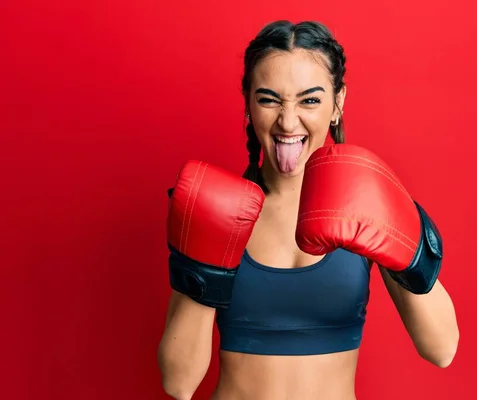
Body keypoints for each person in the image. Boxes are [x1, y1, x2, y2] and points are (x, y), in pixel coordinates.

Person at [157, 20, 459, 400]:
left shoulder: (364, 204)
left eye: (309, 100)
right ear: (248, 103)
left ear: (338, 103)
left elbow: (442, 349)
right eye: (269, 99)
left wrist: (403, 237)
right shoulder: (218, 209)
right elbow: (178, 384)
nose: (287, 120)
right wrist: (205, 259)